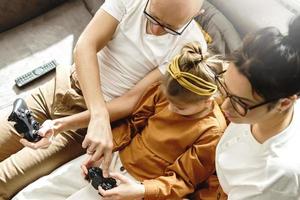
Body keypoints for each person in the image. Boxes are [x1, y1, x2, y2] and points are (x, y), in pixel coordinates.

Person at [0, 0, 207, 198]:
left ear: (197, 14)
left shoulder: (191, 47)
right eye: (152, 17)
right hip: (64, 88)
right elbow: (85, 46)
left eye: (169, 28)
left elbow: (134, 100)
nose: (155, 29)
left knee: (3, 181)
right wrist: (98, 113)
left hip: (87, 124)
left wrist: (96, 117)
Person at [13, 42, 227, 200]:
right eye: (169, 102)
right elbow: (132, 125)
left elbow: (182, 181)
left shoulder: (212, 131)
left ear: (207, 101)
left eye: (180, 108)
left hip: (135, 186)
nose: (170, 108)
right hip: (112, 159)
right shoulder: (164, 91)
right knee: (33, 193)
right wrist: (103, 150)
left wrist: (141, 191)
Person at [215, 15, 300, 199]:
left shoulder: (274, 176)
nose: (224, 106)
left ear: (284, 103)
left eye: (240, 102)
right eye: (225, 87)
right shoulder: (255, 109)